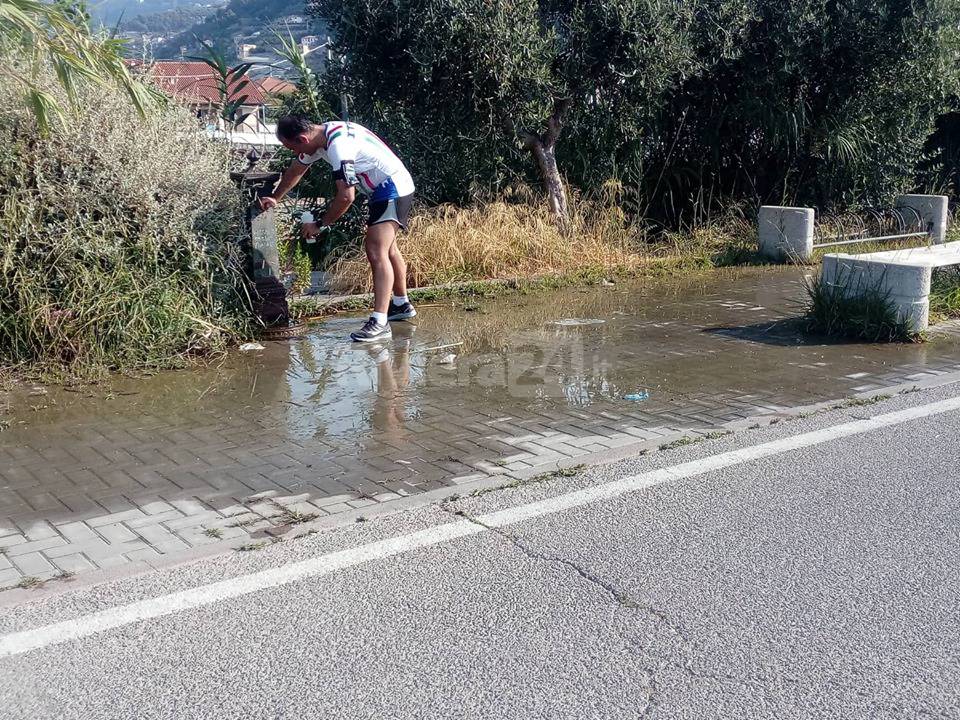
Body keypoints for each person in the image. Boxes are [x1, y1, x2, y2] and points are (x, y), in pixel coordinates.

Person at [259, 116, 417, 342]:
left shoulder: (339, 147)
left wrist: (320, 225)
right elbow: (296, 170)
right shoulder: (321, 135)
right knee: (388, 249)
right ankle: (401, 305)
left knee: (375, 250)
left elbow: (346, 196)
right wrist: (275, 197)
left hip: (392, 187)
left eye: (293, 147)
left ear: (303, 138)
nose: (294, 152)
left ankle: (379, 322)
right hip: (384, 186)